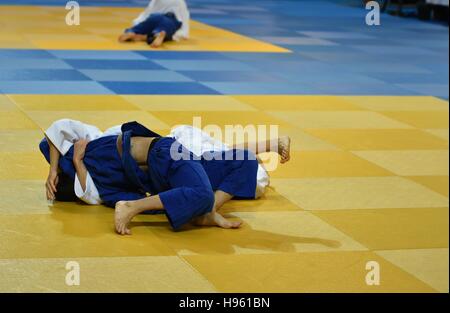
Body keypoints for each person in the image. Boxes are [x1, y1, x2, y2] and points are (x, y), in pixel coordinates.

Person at [40, 120, 291, 234]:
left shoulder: (92, 141)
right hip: (168, 157)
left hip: (170, 154)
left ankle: (208, 209)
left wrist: (54, 167)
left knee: (246, 161)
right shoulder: (92, 175)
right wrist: (75, 163)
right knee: (202, 190)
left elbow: (58, 129)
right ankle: (133, 208)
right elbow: (88, 195)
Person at [118, 0, 189, 47]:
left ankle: (132, 32)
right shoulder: (180, 2)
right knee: (164, 31)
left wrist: (136, 24)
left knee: (143, 26)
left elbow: (146, 14)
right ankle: (154, 36)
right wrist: (183, 33)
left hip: (154, 17)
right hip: (169, 21)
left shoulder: (155, 1)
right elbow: (184, 17)